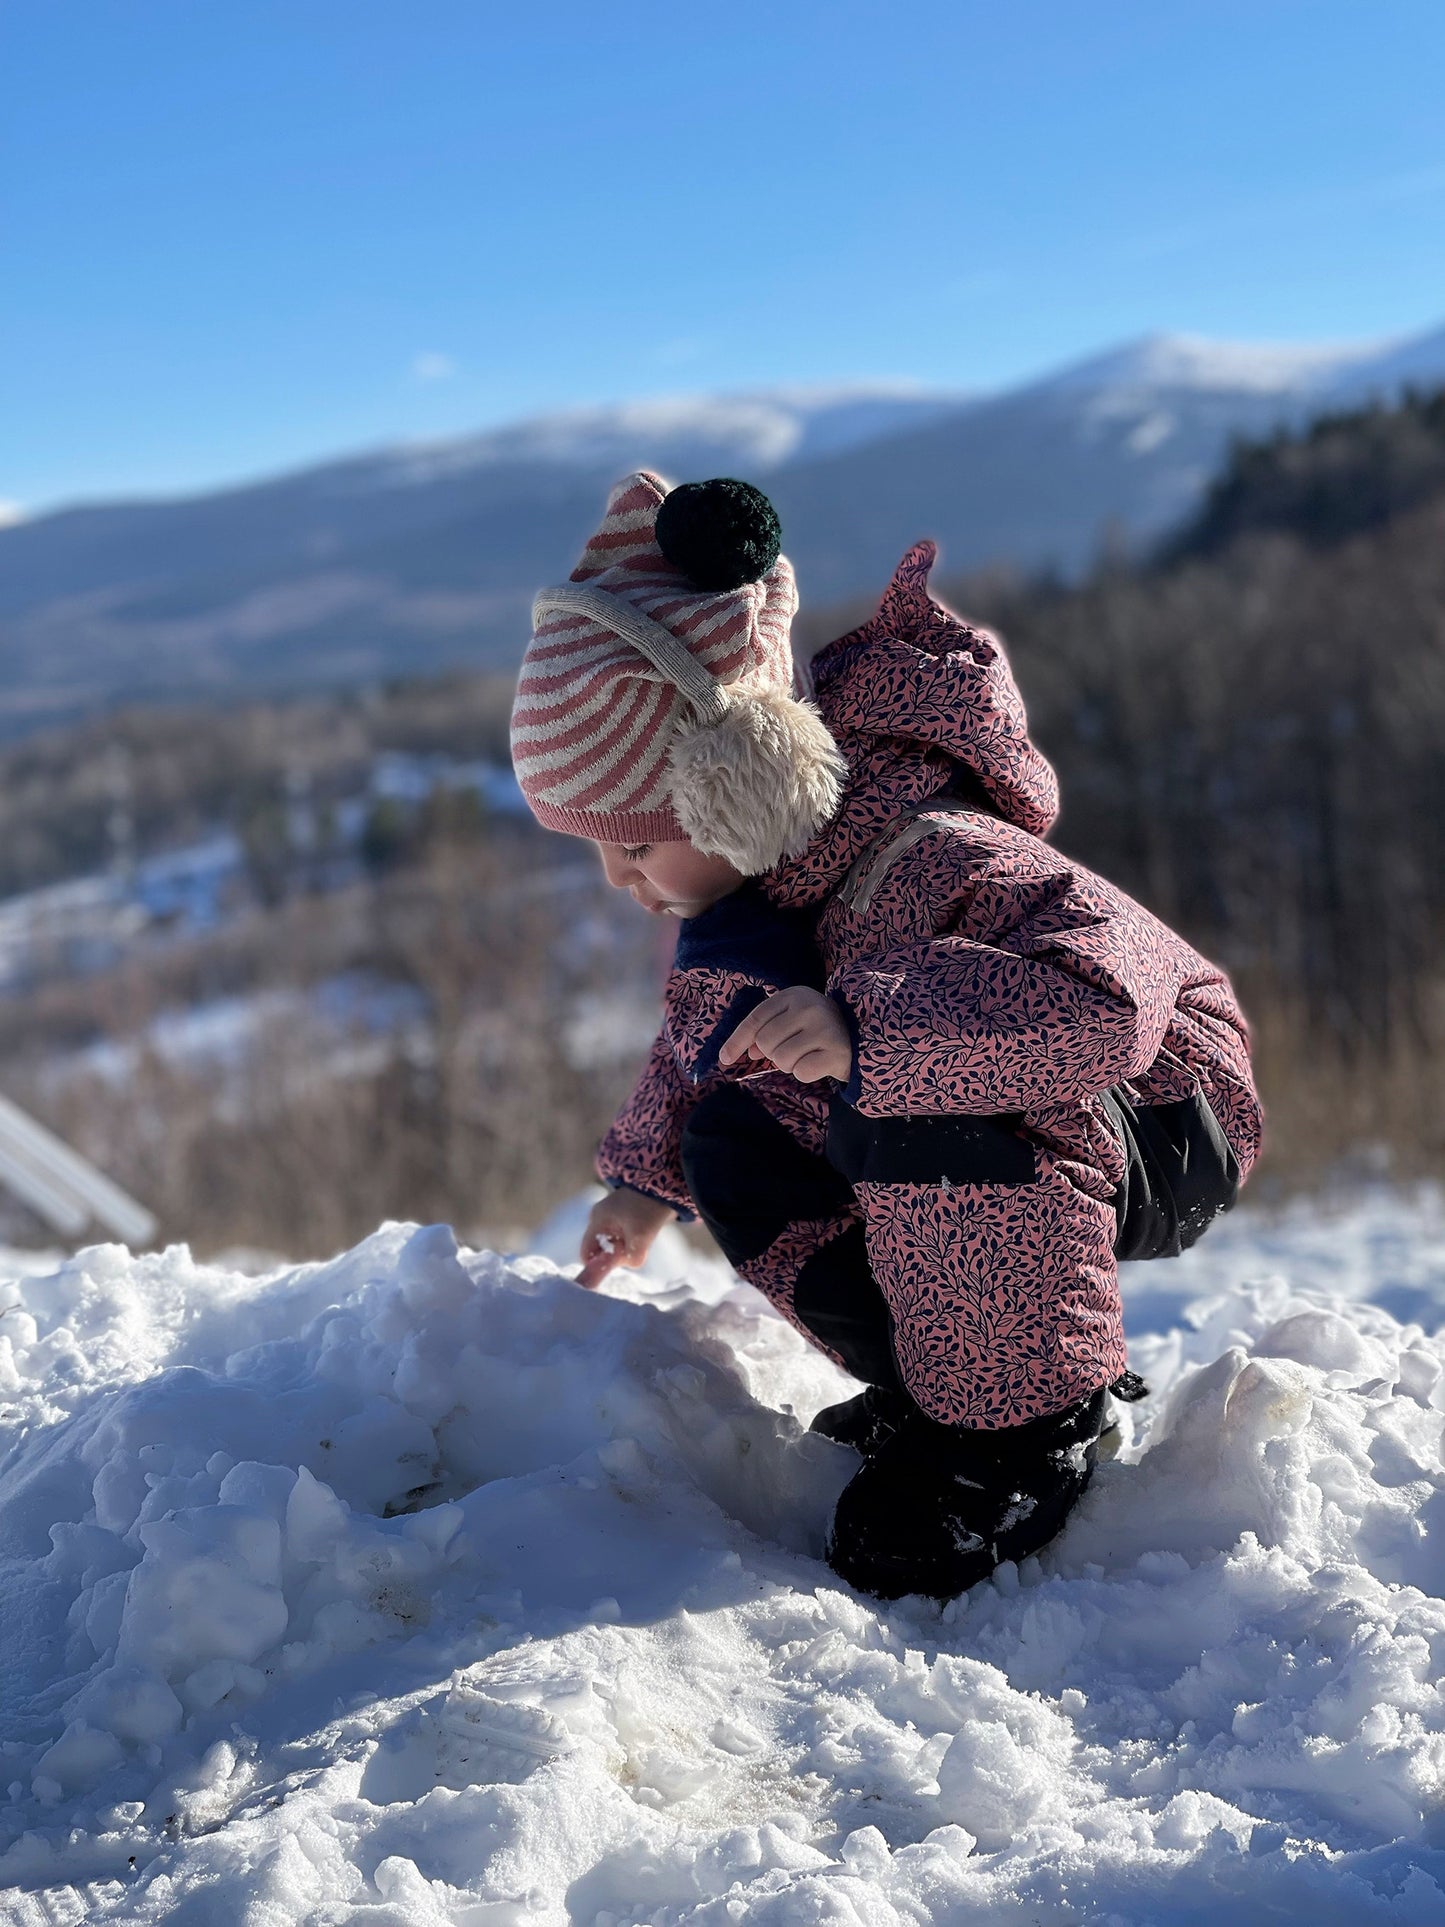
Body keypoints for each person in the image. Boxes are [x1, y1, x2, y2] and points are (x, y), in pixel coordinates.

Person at [509, 470, 1263, 1601]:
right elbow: (699, 1045)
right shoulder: (755, 908)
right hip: (1023, 1100)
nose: (620, 880)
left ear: (737, 780)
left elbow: (1106, 1005)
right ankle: (940, 1375)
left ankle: (1020, 1427)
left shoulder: (938, 847)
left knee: (908, 1093)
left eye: (634, 843)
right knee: (738, 1131)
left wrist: (865, 1024)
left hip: (1162, 1101)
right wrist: (643, 1183)